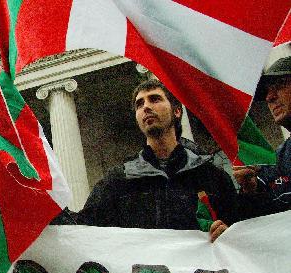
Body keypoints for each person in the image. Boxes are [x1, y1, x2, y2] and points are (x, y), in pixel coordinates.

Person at [61, 79, 239, 242]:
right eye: (140, 104)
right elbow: (83, 230)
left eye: (154, 99)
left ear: (177, 111)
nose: (146, 107)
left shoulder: (211, 175)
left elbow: (242, 227)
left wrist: (228, 235)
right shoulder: (118, 180)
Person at [233, 56, 291, 217]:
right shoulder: (276, 164)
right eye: (267, 91)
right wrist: (250, 189)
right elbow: (261, 226)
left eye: (280, 85)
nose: (269, 97)